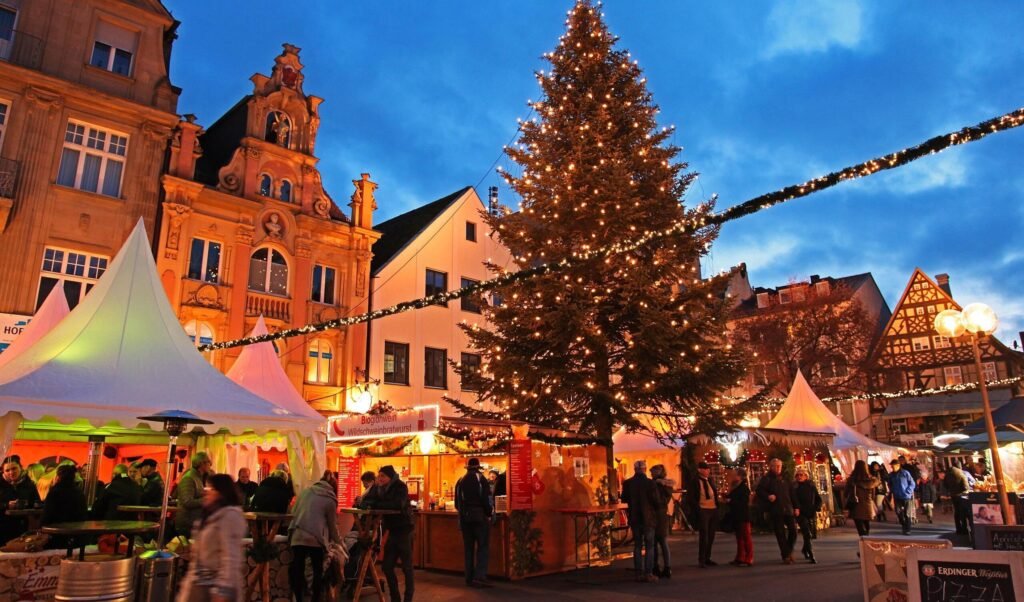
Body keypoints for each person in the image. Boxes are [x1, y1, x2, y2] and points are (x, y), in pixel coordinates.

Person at [176, 474, 247, 602]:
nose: (205, 492)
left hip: (215, 587)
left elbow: (230, 557)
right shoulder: (209, 514)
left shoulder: (230, 516)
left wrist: (222, 590)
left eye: (211, 489)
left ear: (221, 493)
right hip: (199, 584)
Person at [362, 465, 415, 602]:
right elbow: (368, 501)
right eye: (379, 476)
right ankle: (395, 598)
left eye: (383, 476)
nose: (379, 479)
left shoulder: (400, 486)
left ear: (390, 477)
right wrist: (369, 503)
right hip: (392, 530)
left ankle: (408, 598)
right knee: (387, 566)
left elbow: (397, 504)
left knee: (407, 567)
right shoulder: (378, 488)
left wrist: (377, 504)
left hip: (404, 530)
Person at [289, 470, 342, 602]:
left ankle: (298, 599)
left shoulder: (305, 492)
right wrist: (340, 543)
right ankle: (315, 599)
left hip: (298, 535)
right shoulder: (330, 499)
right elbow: (332, 525)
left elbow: (292, 511)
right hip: (315, 539)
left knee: (298, 570)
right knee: (318, 571)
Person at [455, 457, 493, 588]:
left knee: (468, 548)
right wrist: (489, 513)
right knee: (482, 547)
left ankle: (469, 577)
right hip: (479, 518)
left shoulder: (460, 481)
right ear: (478, 467)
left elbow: (457, 503)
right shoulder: (481, 479)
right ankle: (480, 577)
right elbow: (487, 499)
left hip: (465, 519)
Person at [621, 460, 659, 581]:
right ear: (645, 469)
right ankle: (648, 573)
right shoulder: (650, 483)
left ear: (634, 469)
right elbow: (656, 501)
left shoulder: (628, 483)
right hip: (648, 518)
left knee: (637, 545)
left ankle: (638, 572)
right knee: (649, 546)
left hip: (635, 518)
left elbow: (624, 498)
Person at [756, 458, 797, 564]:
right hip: (775, 509)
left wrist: (796, 507)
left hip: (788, 508)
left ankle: (788, 551)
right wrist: (768, 496)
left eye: (780, 466)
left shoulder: (785, 478)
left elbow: (792, 493)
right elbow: (759, 490)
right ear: (771, 467)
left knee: (793, 531)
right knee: (780, 533)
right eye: (776, 466)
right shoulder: (767, 479)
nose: (778, 468)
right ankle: (786, 555)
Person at [42, 464, 87, 549]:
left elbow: (48, 513)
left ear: (58, 476)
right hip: (75, 532)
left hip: (57, 532)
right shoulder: (79, 492)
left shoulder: (55, 492)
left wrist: (42, 527)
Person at [685, 461, 719, 569]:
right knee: (704, 535)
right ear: (699, 470)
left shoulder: (710, 480)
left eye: (708, 469)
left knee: (711, 535)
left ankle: (708, 557)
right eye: (705, 469)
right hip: (703, 509)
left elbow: (714, 492)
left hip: (712, 509)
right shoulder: (695, 481)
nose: (707, 471)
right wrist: (698, 509)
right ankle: (702, 559)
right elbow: (691, 497)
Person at [1, 456, 41, 545]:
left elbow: (36, 502)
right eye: (7, 470)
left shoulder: (29, 484)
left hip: (22, 528)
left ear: (20, 467)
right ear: (3, 471)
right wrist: (6, 505)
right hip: (2, 527)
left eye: (14, 468)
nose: (11, 472)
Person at [174, 451, 212, 539]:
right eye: (208, 462)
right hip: (188, 522)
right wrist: (206, 500)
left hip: (195, 521)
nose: (210, 465)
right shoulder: (189, 478)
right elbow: (187, 501)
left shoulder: (200, 477)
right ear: (201, 463)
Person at [792, 467, 822, 564]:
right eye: (798, 475)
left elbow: (818, 498)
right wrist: (796, 508)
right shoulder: (794, 487)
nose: (799, 477)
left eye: (801, 475)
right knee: (807, 533)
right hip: (800, 513)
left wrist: (817, 507)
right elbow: (793, 499)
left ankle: (805, 549)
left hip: (810, 512)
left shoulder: (811, 486)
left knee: (810, 534)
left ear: (806, 476)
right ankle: (811, 553)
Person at [649, 464, 674, 578]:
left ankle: (656, 566)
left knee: (656, 542)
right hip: (662, 514)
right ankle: (667, 567)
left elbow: (656, 500)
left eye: (653, 471)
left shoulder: (655, 485)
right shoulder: (666, 485)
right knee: (662, 542)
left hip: (656, 514)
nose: (651, 473)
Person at [725, 468, 753, 567]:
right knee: (739, 537)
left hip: (743, 515)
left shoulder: (744, 488)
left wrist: (731, 501)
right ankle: (740, 557)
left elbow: (743, 502)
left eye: (734, 474)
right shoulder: (735, 487)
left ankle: (749, 557)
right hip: (736, 515)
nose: (732, 476)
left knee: (746, 537)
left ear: (740, 476)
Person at [846, 460, 881, 537]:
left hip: (856, 504)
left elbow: (847, 492)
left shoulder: (852, 480)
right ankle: (866, 537)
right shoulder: (871, 480)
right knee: (866, 522)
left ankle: (863, 538)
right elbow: (873, 493)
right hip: (867, 504)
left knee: (859, 524)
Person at [888, 458, 916, 535]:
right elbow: (889, 484)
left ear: (898, 465)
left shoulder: (905, 473)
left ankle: (907, 529)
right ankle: (903, 524)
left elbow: (912, 483)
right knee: (898, 511)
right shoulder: (891, 475)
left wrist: (908, 491)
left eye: (893, 466)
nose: (892, 467)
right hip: (897, 496)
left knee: (907, 513)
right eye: (891, 466)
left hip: (906, 496)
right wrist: (892, 491)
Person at [944, 463, 973, 536]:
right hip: (961, 495)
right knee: (963, 512)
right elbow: (965, 486)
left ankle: (958, 528)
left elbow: (945, 484)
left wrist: (951, 490)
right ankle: (964, 529)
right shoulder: (961, 473)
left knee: (956, 512)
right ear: (959, 466)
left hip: (953, 495)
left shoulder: (948, 473)